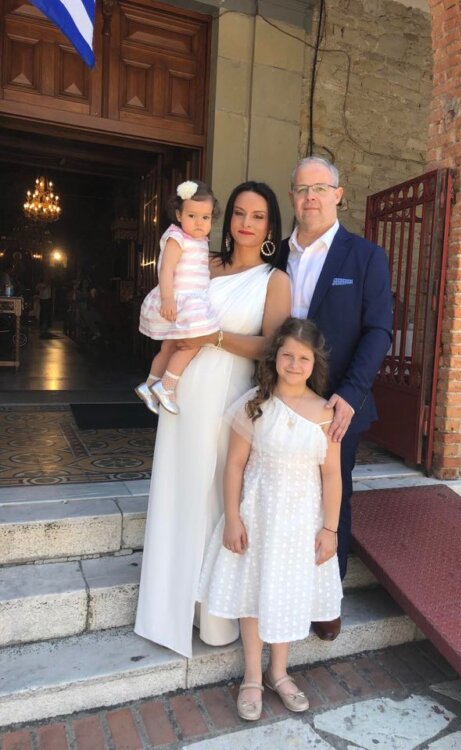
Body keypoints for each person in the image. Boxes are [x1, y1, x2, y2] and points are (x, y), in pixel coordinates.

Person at [134, 181, 291, 658]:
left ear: (270, 226)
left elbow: (270, 346)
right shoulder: (205, 262)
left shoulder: (274, 280)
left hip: (229, 397)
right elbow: (173, 303)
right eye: (239, 213)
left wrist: (213, 337)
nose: (246, 223)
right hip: (184, 394)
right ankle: (168, 605)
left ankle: (213, 616)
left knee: (217, 496)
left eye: (258, 216)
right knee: (179, 489)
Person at [198, 317, 342, 721]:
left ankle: (278, 672)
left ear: (315, 363)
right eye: (287, 355)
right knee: (253, 590)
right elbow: (234, 465)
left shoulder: (325, 412)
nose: (294, 364)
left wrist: (330, 528)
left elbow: (332, 475)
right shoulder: (255, 405)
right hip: (258, 518)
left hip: (301, 524)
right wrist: (232, 518)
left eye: (304, 358)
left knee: (287, 591)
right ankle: (251, 675)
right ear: (275, 357)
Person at [278, 156, 393, 641]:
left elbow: (378, 330)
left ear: (338, 195)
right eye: (302, 189)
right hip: (279, 399)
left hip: (336, 405)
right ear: (292, 196)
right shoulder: (275, 254)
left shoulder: (365, 256)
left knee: (332, 499)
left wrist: (351, 393)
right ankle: (280, 588)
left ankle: (326, 600)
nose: (311, 198)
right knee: (281, 495)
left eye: (320, 188)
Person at [136, 180, 219, 415]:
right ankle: (167, 386)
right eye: (192, 216)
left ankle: (149, 386)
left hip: (192, 300)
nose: (199, 223)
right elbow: (166, 269)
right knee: (194, 342)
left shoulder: (200, 240)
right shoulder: (176, 237)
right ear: (179, 215)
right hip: (180, 300)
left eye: (205, 217)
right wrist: (167, 299)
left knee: (170, 346)